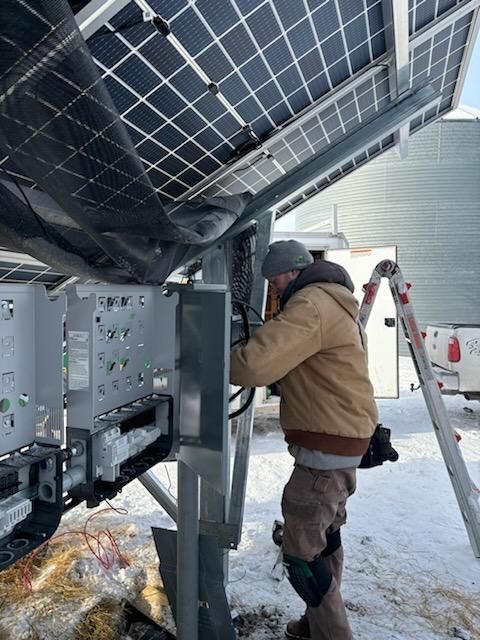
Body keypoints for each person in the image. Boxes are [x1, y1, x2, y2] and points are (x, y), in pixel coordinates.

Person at [230, 240, 378, 640]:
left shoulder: (310, 305)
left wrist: (212, 355)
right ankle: (315, 627)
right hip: (344, 439)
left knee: (301, 554)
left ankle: (333, 635)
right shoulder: (336, 300)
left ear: (290, 272)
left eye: (274, 280)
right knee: (326, 540)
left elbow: (254, 365)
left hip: (325, 448)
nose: (273, 290)